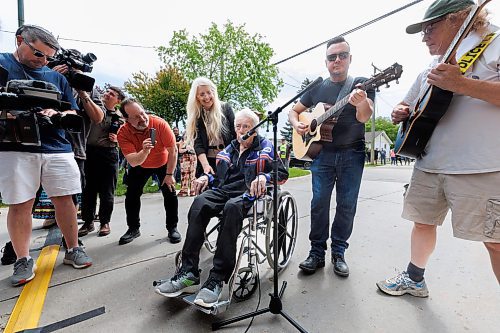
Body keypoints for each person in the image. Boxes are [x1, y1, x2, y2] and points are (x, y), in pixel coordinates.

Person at [377, 0, 500, 297]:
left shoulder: (494, 42)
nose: (424, 36)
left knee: (495, 241)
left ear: (458, 19)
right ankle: (414, 279)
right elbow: (408, 103)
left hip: (482, 165)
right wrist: (401, 112)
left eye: (430, 27)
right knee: (422, 222)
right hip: (430, 162)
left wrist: (465, 85)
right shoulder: (432, 65)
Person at [154, 108, 288, 308]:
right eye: (238, 126)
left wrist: (265, 176)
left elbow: (282, 173)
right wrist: (205, 177)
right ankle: (189, 272)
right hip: (225, 190)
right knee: (200, 203)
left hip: (249, 194)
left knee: (231, 208)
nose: (241, 130)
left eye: (246, 127)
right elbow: (218, 177)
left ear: (255, 129)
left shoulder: (266, 148)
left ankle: (217, 277)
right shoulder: (229, 149)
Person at [0, 25, 92, 286]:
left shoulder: (57, 78)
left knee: (66, 199)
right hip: (15, 145)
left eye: (48, 57)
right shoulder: (2, 63)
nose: (43, 61)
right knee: (21, 203)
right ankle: (22, 258)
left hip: (56, 146)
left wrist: (59, 115)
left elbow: (73, 113)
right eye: (39, 54)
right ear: (20, 40)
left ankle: (73, 248)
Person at [288, 36, 375, 277]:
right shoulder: (318, 87)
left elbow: (364, 117)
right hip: (322, 154)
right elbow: (294, 111)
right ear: (326, 61)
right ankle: (316, 253)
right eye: (331, 57)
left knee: (346, 205)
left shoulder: (362, 83)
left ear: (350, 59)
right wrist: (298, 125)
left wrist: (361, 102)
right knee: (319, 204)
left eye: (342, 55)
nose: (337, 60)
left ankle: (339, 252)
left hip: (352, 153)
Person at [117, 98, 181, 245]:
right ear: (126, 120)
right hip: (140, 164)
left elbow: (173, 150)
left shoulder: (159, 124)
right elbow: (133, 161)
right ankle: (133, 228)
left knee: (170, 193)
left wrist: (170, 175)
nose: (142, 118)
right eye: (136, 117)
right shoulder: (123, 133)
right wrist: (145, 151)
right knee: (132, 195)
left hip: (163, 162)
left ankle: (172, 228)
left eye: (142, 113)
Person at [78, 86, 125, 237]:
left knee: (107, 191)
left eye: (112, 94)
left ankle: (105, 222)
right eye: (107, 92)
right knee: (88, 190)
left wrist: (118, 140)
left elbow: (127, 139)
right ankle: (88, 221)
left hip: (109, 154)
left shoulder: (120, 117)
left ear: (118, 101)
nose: (107, 94)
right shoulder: (92, 107)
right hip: (89, 151)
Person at [185, 77, 235, 177]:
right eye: (202, 94)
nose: (207, 97)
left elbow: (235, 134)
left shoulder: (225, 108)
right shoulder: (196, 116)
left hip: (227, 158)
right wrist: (206, 165)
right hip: (207, 161)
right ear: (196, 97)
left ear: (213, 92)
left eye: (209, 92)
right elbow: (198, 144)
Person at [177, 133, 197, 197]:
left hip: (193, 156)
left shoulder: (194, 140)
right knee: (184, 174)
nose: (186, 136)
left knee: (192, 174)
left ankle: (193, 190)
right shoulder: (182, 141)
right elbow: (180, 150)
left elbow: (196, 149)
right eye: (185, 135)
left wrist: (191, 148)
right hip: (185, 157)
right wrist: (186, 149)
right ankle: (184, 191)